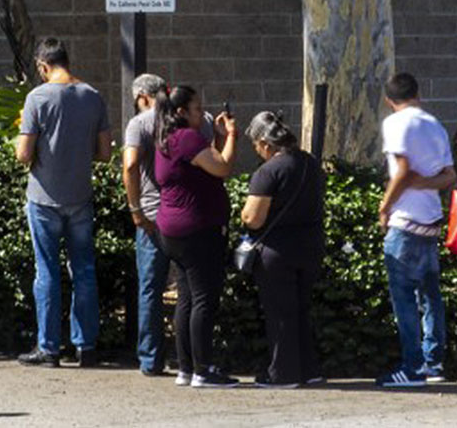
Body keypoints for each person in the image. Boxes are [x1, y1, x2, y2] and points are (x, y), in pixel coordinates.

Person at [15, 38, 111, 368]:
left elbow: (23, 153)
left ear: (43, 66)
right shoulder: (93, 96)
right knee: (84, 270)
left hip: (43, 197)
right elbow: (104, 153)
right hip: (80, 195)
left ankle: (49, 348)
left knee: (48, 272)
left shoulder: (37, 98)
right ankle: (86, 346)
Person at [123, 71, 216, 376]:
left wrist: (135, 209)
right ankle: (189, 359)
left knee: (151, 288)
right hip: (190, 216)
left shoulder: (140, 123)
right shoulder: (201, 120)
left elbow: (131, 164)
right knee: (189, 292)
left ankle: (151, 359)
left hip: (152, 217)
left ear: (142, 97)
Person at [375, 72, 457, 387]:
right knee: (430, 297)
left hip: (405, 221)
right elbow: (449, 176)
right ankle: (433, 364)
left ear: (388, 100)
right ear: (418, 93)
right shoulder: (434, 125)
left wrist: (384, 207)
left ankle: (412, 367)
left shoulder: (396, 123)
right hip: (430, 221)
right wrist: (425, 183)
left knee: (404, 299)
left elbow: (403, 169)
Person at [154, 85, 238, 388]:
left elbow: (205, 163)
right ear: (180, 112)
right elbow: (222, 167)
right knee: (204, 299)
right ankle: (204, 369)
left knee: (186, 299)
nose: (201, 113)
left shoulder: (166, 139)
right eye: (196, 108)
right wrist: (231, 136)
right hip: (197, 230)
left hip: (172, 230)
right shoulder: (187, 138)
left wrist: (215, 138)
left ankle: (186, 368)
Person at [241, 110, 326, 388]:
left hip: (278, 251)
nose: (257, 152)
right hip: (311, 245)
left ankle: (283, 374)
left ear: (265, 143)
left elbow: (253, 218)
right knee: (302, 309)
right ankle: (309, 369)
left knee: (280, 314)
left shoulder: (268, 171)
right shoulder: (310, 164)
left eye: (256, 146)